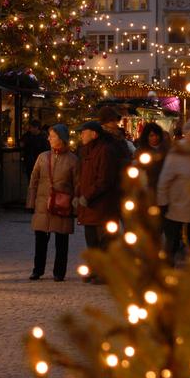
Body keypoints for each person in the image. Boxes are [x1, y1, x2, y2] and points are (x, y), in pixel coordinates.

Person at [26, 125, 78, 282]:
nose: (49, 138)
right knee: (40, 238)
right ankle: (38, 269)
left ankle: (59, 271)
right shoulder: (42, 157)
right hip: (43, 203)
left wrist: (75, 207)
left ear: (61, 139)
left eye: (52, 136)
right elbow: (33, 181)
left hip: (62, 204)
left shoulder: (73, 160)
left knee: (61, 240)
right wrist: (31, 202)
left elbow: (77, 185)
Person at [157, 117, 190, 266]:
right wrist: (162, 202)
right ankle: (168, 268)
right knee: (172, 239)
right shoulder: (177, 152)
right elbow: (165, 179)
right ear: (185, 134)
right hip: (177, 203)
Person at [75, 121, 120, 284]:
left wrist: (86, 196)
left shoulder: (105, 151)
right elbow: (83, 178)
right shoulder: (86, 151)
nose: (81, 135)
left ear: (94, 134)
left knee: (104, 241)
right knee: (92, 241)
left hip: (102, 205)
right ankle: (94, 270)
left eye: (84, 132)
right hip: (90, 206)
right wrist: (79, 195)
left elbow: (104, 180)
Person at [134, 122, 170, 204]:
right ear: (146, 137)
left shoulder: (166, 150)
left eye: (156, 135)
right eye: (151, 136)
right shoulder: (140, 151)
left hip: (164, 189)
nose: (155, 138)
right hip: (148, 189)